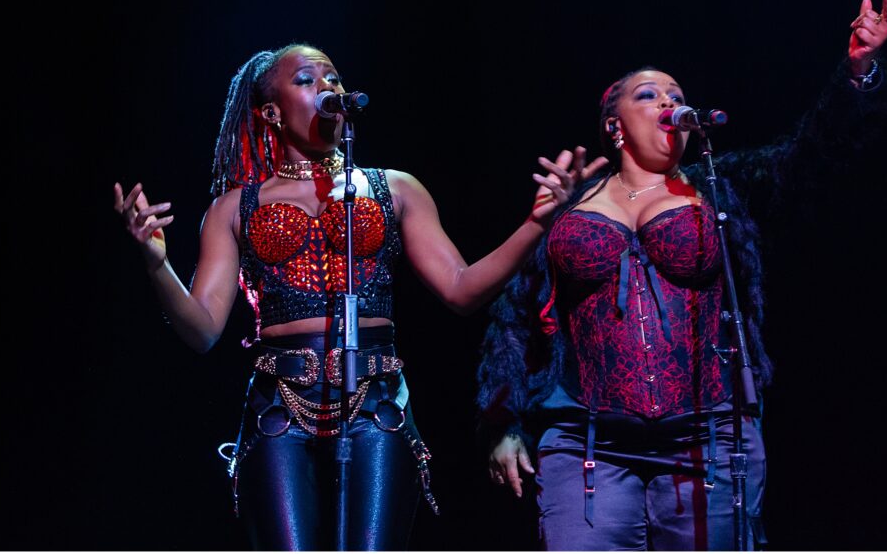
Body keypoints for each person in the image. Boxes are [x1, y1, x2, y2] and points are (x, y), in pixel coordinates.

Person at [113, 42, 606, 550]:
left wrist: (535, 224)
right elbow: (202, 330)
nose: (328, 86)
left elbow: (461, 290)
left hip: (376, 403)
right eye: (306, 79)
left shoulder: (394, 188)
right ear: (271, 112)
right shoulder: (232, 209)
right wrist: (157, 265)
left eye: (334, 78)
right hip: (279, 409)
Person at [478, 0, 887, 550]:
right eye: (648, 94)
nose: (667, 103)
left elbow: (808, 156)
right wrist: (502, 422)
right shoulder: (569, 206)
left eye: (676, 95)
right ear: (615, 124)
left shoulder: (718, 187)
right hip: (587, 443)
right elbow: (512, 316)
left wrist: (858, 71)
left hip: (710, 439)